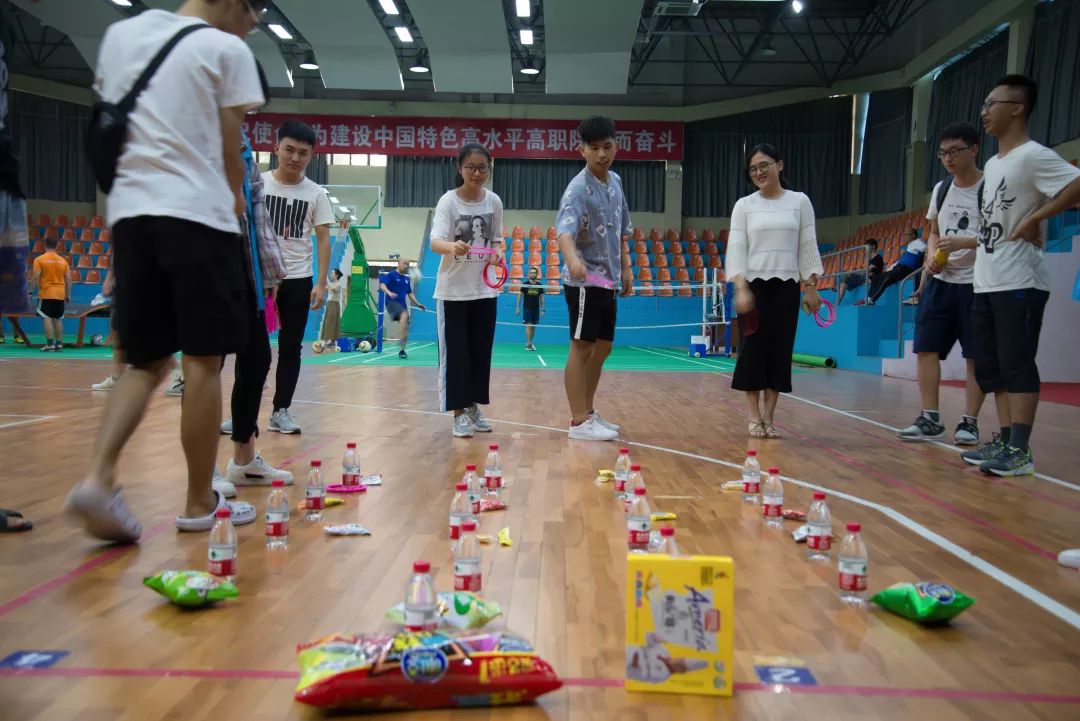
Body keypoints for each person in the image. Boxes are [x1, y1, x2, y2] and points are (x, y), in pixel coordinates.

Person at [64, 0, 266, 543]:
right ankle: (199, 500)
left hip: (131, 216)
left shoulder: (122, 35)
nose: (254, 21)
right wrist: (234, 200)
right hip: (199, 216)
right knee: (203, 360)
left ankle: (98, 478)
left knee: (144, 362)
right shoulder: (226, 50)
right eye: (254, 8)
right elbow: (230, 145)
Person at [962, 74, 1080, 476]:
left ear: (1017, 108)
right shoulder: (995, 164)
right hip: (986, 280)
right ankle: (1006, 439)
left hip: (1020, 281)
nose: (984, 112)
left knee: (1017, 363)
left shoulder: (1033, 155)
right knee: (990, 367)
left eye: (991, 104)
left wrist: (1037, 217)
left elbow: (1076, 184)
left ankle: (1021, 450)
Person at [899, 122, 996, 445]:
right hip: (941, 283)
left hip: (978, 284)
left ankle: (970, 421)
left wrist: (962, 243)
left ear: (974, 150)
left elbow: (999, 235)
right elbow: (934, 231)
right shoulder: (941, 190)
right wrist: (931, 255)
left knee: (975, 355)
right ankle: (930, 418)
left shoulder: (990, 188)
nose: (948, 159)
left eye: (955, 151)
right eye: (943, 154)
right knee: (925, 347)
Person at [728, 143, 824, 439]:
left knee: (780, 351)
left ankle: (769, 416)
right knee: (751, 350)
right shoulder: (744, 205)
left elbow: (807, 246)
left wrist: (811, 287)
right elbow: (737, 248)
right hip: (753, 287)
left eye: (764, 165)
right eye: (753, 169)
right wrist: (741, 288)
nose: (758, 172)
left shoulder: (800, 202)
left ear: (779, 165)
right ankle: (753, 416)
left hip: (787, 287)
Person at [218, 119, 292, 489]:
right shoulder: (198, 124)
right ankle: (202, 475)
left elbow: (257, 217)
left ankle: (243, 460)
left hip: (245, 265)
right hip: (206, 260)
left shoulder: (242, 142)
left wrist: (269, 273)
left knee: (258, 358)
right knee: (205, 367)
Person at [558, 116, 633, 442]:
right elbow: (564, 231)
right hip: (585, 281)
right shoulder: (578, 189)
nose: (602, 154)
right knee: (582, 346)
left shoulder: (615, 181)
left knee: (603, 346)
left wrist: (626, 268)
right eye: (594, 148)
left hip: (608, 281)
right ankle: (578, 422)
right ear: (582, 150)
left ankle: (588, 412)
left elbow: (622, 229)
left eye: (607, 146)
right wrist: (573, 259)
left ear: (616, 147)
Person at [262, 120, 334, 434]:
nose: (295, 157)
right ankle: (242, 411)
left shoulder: (316, 193)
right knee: (252, 348)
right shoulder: (258, 185)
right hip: (261, 279)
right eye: (289, 149)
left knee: (291, 347)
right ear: (276, 148)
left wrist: (320, 283)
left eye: (303, 153)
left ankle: (281, 410)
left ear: (311, 156)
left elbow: (323, 239)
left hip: (298, 279)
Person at [430, 142, 503, 438]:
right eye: (470, 167)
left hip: (484, 291)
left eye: (482, 167)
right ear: (460, 168)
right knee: (456, 355)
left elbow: (496, 238)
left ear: (489, 169)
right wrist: (451, 246)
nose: (476, 173)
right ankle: (458, 413)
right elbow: (435, 242)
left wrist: (498, 252)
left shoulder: (494, 202)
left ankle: (473, 406)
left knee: (480, 353)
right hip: (453, 293)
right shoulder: (448, 202)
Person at [379, 254, 426, 359]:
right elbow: (382, 285)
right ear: (398, 263)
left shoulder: (406, 279)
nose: (406, 266)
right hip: (391, 303)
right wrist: (389, 292)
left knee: (405, 327)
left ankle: (402, 350)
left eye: (408, 264)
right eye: (404, 263)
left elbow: (410, 293)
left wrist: (418, 304)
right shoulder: (391, 275)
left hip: (402, 305)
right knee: (404, 315)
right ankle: (398, 339)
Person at [866, 228, 926, 305]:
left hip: (906, 268)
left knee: (887, 278)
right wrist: (890, 268)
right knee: (876, 277)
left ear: (913, 235)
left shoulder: (918, 242)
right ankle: (868, 297)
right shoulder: (910, 246)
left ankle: (872, 299)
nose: (904, 237)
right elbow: (900, 261)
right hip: (899, 268)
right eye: (904, 235)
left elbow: (926, 250)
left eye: (906, 235)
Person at [31, 237, 71, 351]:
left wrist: (30, 291)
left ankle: (50, 344)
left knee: (46, 317)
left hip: (46, 293)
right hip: (60, 294)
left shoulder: (39, 259)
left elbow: (35, 276)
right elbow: (68, 279)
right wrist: (68, 294)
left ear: (45, 245)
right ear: (56, 245)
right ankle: (59, 344)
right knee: (58, 318)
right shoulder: (63, 261)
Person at [91, 264, 127, 390]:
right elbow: (115, 262)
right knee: (117, 333)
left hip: (141, 288)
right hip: (121, 290)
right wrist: (107, 281)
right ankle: (118, 377)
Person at [835, 238, 883, 305]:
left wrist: (861, 272)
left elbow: (868, 270)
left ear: (873, 246)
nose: (866, 248)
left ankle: (837, 286)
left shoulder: (878, 258)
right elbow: (866, 270)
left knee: (848, 275)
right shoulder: (870, 258)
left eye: (867, 246)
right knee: (843, 284)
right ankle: (836, 304)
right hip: (865, 277)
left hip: (871, 278)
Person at [516, 266, 544, 350]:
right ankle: (528, 344)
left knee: (533, 326)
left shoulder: (539, 285)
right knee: (529, 325)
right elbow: (520, 296)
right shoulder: (525, 284)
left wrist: (543, 309)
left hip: (536, 309)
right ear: (529, 274)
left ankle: (530, 343)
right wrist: (518, 307)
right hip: (527, 308)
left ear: (537, 274)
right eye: (531, 272)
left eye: (534, 272)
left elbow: (542, 298)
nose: (533, 274)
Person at [320, 269, 344, 343]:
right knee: (327, 321)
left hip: (334, 305)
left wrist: (326, 279)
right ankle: (326, 339)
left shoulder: (339, 284)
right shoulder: (331, 284)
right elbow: (325, 288)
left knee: (332, 322)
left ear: (336, 275)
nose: (331, 275)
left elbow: (334, 289)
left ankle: (331, 340)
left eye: (332, 273)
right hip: (329, 304)